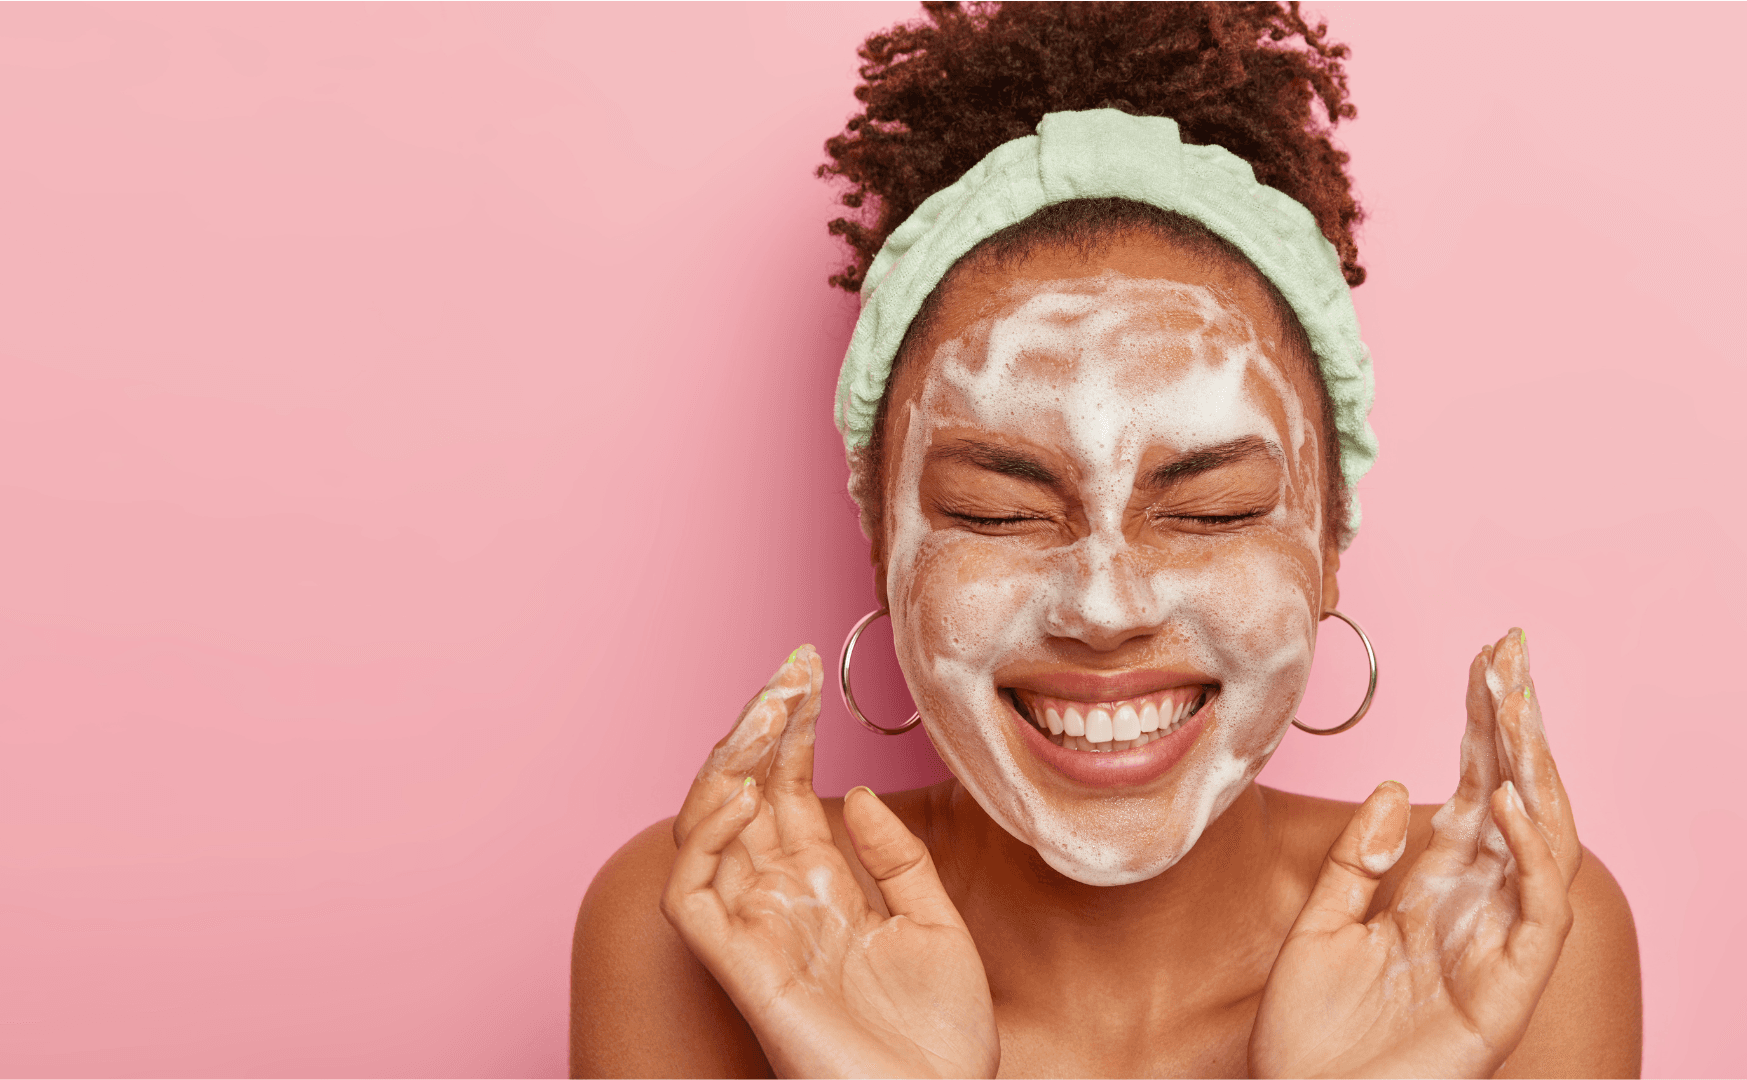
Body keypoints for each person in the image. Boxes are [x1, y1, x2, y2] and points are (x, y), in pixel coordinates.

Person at [570, 4, 1641, 1076]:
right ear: (883, 546)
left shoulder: (1498, 935)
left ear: (1327, 544)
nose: (1105, 606)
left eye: (1211, 510)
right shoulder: (708, 925)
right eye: (1000, 511)